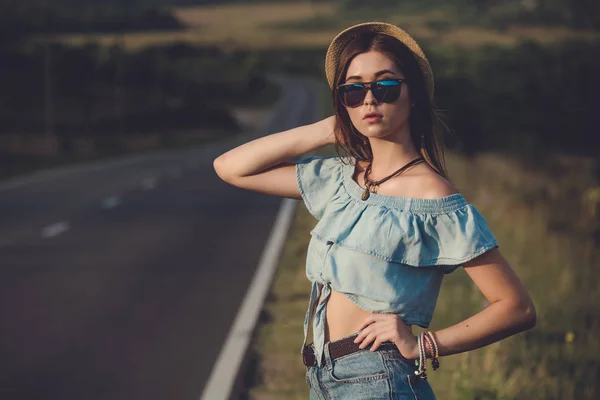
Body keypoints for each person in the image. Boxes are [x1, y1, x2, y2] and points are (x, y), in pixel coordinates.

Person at [213, 22, 536, 400]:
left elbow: (516, 307)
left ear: (412, 95)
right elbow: (231, 167)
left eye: (384, 86)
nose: (369, 100)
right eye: (353, 90)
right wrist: (326, 129)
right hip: (322, 377)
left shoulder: (434, 199)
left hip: (379, 379)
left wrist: (424, 345)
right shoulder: (340, 179)